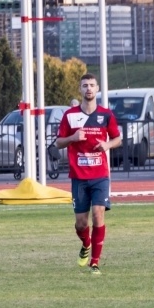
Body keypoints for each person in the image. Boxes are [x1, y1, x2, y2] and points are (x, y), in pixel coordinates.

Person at [56, 73, 122, 276]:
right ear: (80, 89)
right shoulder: (70, 115)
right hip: (78, 177)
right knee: (81, 222)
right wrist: (73, 137)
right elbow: (59, 142)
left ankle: (95, 262)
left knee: (98, 214)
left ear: (97, 89)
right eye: (85, 85)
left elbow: (117, 138)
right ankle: (86, 244)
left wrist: (107, 144)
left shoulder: (106, 115)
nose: (89, 89)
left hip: (100, 175)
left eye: (92, 85)